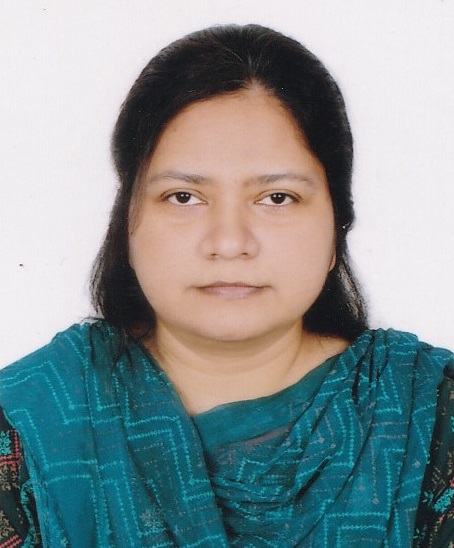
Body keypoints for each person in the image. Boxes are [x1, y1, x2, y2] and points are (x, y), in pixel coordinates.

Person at [0, 24, 452, 547]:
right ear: (126, 222)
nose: (230, 242)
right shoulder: (27, 422)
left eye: (277, 198)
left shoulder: (429, 416)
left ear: (337, 226)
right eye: (184, 197)